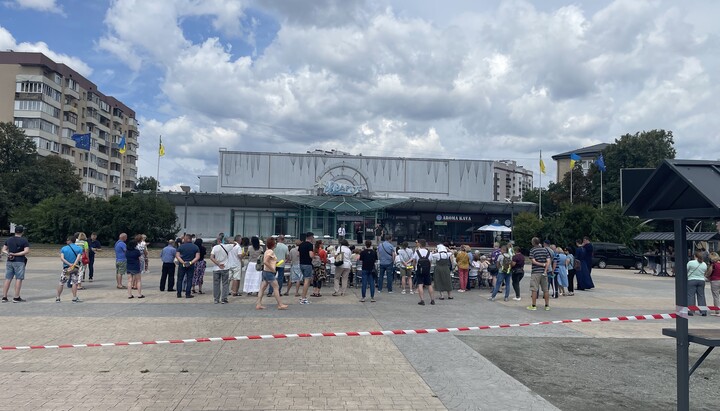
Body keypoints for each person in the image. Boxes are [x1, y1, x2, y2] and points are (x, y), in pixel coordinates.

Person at [256, 237, 289, 310]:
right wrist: (272, 269)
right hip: (269, 272)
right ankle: (280, 304)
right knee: (276, 287)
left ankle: (258, 304)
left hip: (265, 271)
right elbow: (265, 261)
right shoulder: (270, 252)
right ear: (273, 244)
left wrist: (274, 263)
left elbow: (267, 261)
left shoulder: (267, 251)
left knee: (262, 288)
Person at [57, 235, 83, 303]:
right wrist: (73, 264)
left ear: (70, 241)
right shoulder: (79, 248)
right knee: (74, 282)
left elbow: (62, 258)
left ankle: (58, 297)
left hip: (66, 268)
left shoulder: (64, 248)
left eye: (67, 240)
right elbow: (78, 258)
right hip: (75, 268)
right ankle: (74, 297)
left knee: (61, 282)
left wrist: (69, 264)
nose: (66, 241)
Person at [210, 236, 236, 304]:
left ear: (218, 241)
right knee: (225, 284)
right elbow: (235, 244)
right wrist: (230, 241)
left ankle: (216, 299)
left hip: (216, 268)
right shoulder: (228, 246)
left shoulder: (215, 247)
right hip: (225, 267)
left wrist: (218, 264)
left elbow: (211, 257)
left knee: (216, 284)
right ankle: (224, 299)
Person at [527, 237, 550, 311]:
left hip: (535, 272)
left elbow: (533, 261)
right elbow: (548, 261)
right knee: (545, 289)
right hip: (544, 272)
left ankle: (534, 305)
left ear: (533, 243)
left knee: (534, 289)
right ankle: (547, 305)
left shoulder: (532, 250)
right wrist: (545, 268)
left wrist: (541, 264)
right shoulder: (545, 250)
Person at [175, 234, 199, 298]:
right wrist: (190, 262)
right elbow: (197, 257)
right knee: (189, 279)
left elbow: (177, 256)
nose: (183, 240)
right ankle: (188, 294)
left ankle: (179, 293)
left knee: (180, 279)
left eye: (185, 239)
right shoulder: (195, 247)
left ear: (188, 239)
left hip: (182, 264)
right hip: (190, 265)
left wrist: (183, 262)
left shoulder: (181, 247)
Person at [414, 239, 435, 305]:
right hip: (427, 270)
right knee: (429, 285)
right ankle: (432, 299)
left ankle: (422, 300)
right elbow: (430, 262)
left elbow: (414, 262)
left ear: (419, 244)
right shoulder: (429, 253)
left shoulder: (417, 252)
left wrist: (414, 267)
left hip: (419, 270)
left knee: (420, 284)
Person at [687, 251, 708, 316]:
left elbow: (686, 270)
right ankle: (703, 311)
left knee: (691, 296)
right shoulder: (704, 264)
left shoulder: (691, 263)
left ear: (695, 256)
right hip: (701, 280)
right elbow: (705, 272)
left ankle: (691, 311)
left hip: (691, 280)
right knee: (701, 296)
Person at [298, 232, 316, 305]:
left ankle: (303, 296)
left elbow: (298, 254)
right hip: (307, 264)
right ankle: (303, 298)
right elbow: (311, 255)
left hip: (301, 263)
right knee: (307, 280)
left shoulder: (301, 244)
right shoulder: (310, 245)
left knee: (304, 279)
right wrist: (314, 256)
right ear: (311, 237)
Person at [707, 252, 720, 316]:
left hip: (715, 281)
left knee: (716, 296)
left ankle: (717, 311)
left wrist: (707, 276)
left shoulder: (713, 265)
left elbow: (709, 272)